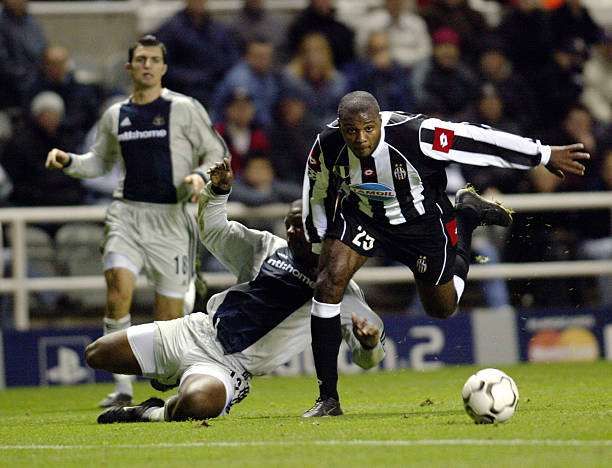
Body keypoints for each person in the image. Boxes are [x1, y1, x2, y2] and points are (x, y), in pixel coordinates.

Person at [301, 90, 590, 417]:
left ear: (379, 121)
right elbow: (316, 187)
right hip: (363, 218)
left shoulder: (416, 134)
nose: (361, 138)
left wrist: (542, 154)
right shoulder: (326, 143)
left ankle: (465, 218)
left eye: (368, 129)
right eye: (351, 131)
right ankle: (328, 398)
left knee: (442, 308)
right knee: (327, 285)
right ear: (341, 126)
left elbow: (478, 139)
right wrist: (316, 238)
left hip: (422, 225)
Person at [88, 159, 385, 423]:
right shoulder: (267, 246)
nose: (292, 232)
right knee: (97, 354)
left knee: (197, 402)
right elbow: (215, 232)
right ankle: (170, 373)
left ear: (319, 229)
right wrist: (217, 193)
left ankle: (150, 412)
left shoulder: (342, 291)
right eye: (289, 226)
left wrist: (369, 344)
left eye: (300, 227)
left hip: (231, 366)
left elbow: (366, 359)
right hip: (197, 331)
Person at [45, 35, 228, 408]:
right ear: (129, 67)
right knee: (117, 293)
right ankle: (123, 388)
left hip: (172, 220)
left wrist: (199, 175)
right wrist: (69, 162)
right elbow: (100, 161)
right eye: (140, 59)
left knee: (168, 319)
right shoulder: (116, 114)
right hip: (127, 215)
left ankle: (169, 381)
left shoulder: (184, 108)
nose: (146, 65)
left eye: (153, 59)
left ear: (163, 67)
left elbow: (216, 152)